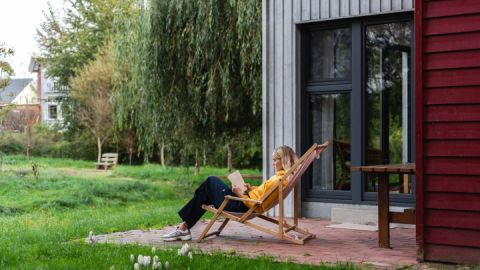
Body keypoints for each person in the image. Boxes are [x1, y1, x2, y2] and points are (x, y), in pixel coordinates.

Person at [162, 145, 299, 241]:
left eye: (275, 160)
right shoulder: (283, 178)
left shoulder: (278, 180)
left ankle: (184, 228)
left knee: (210, 182)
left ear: (284, 160)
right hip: (245, 202)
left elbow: (257, 202)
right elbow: (261, 195)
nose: (273, 163)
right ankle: (184, 227)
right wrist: (250, 188)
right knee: (205, 193)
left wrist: (239, 193)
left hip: (241, 206)